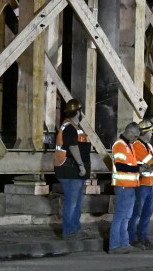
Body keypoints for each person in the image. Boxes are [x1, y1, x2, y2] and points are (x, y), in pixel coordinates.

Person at [53, 99, 91, 240]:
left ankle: (75, 229)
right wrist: (81, 166)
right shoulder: (69, 127)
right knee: (72, 202)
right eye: (81, 110)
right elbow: (73, 147)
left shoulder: (75, 126)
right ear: (78, 111)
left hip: (72, 169)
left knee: (76, 201)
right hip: (69, 169)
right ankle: (69, 232)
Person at [128, 119, 153, 250]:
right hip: (141, 185)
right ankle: (132, 238)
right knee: (136, 212)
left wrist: (152, 165)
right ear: (146, 133)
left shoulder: (148, 146)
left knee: (147, 213)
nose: (152, 134)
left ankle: (143, 237)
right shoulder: (137, 145)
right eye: (151, 131)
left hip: (149, 184)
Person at [108, 122, 141, 254]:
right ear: (129, 132)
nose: (136, 139)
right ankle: (114, 246)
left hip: (129, 186)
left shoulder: (128, 145)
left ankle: (124, 244)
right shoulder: (120, 145)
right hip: (123, 186)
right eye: (136, 136)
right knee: (120, 217)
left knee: (126, 217)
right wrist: (138, 168)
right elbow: (121, 166)